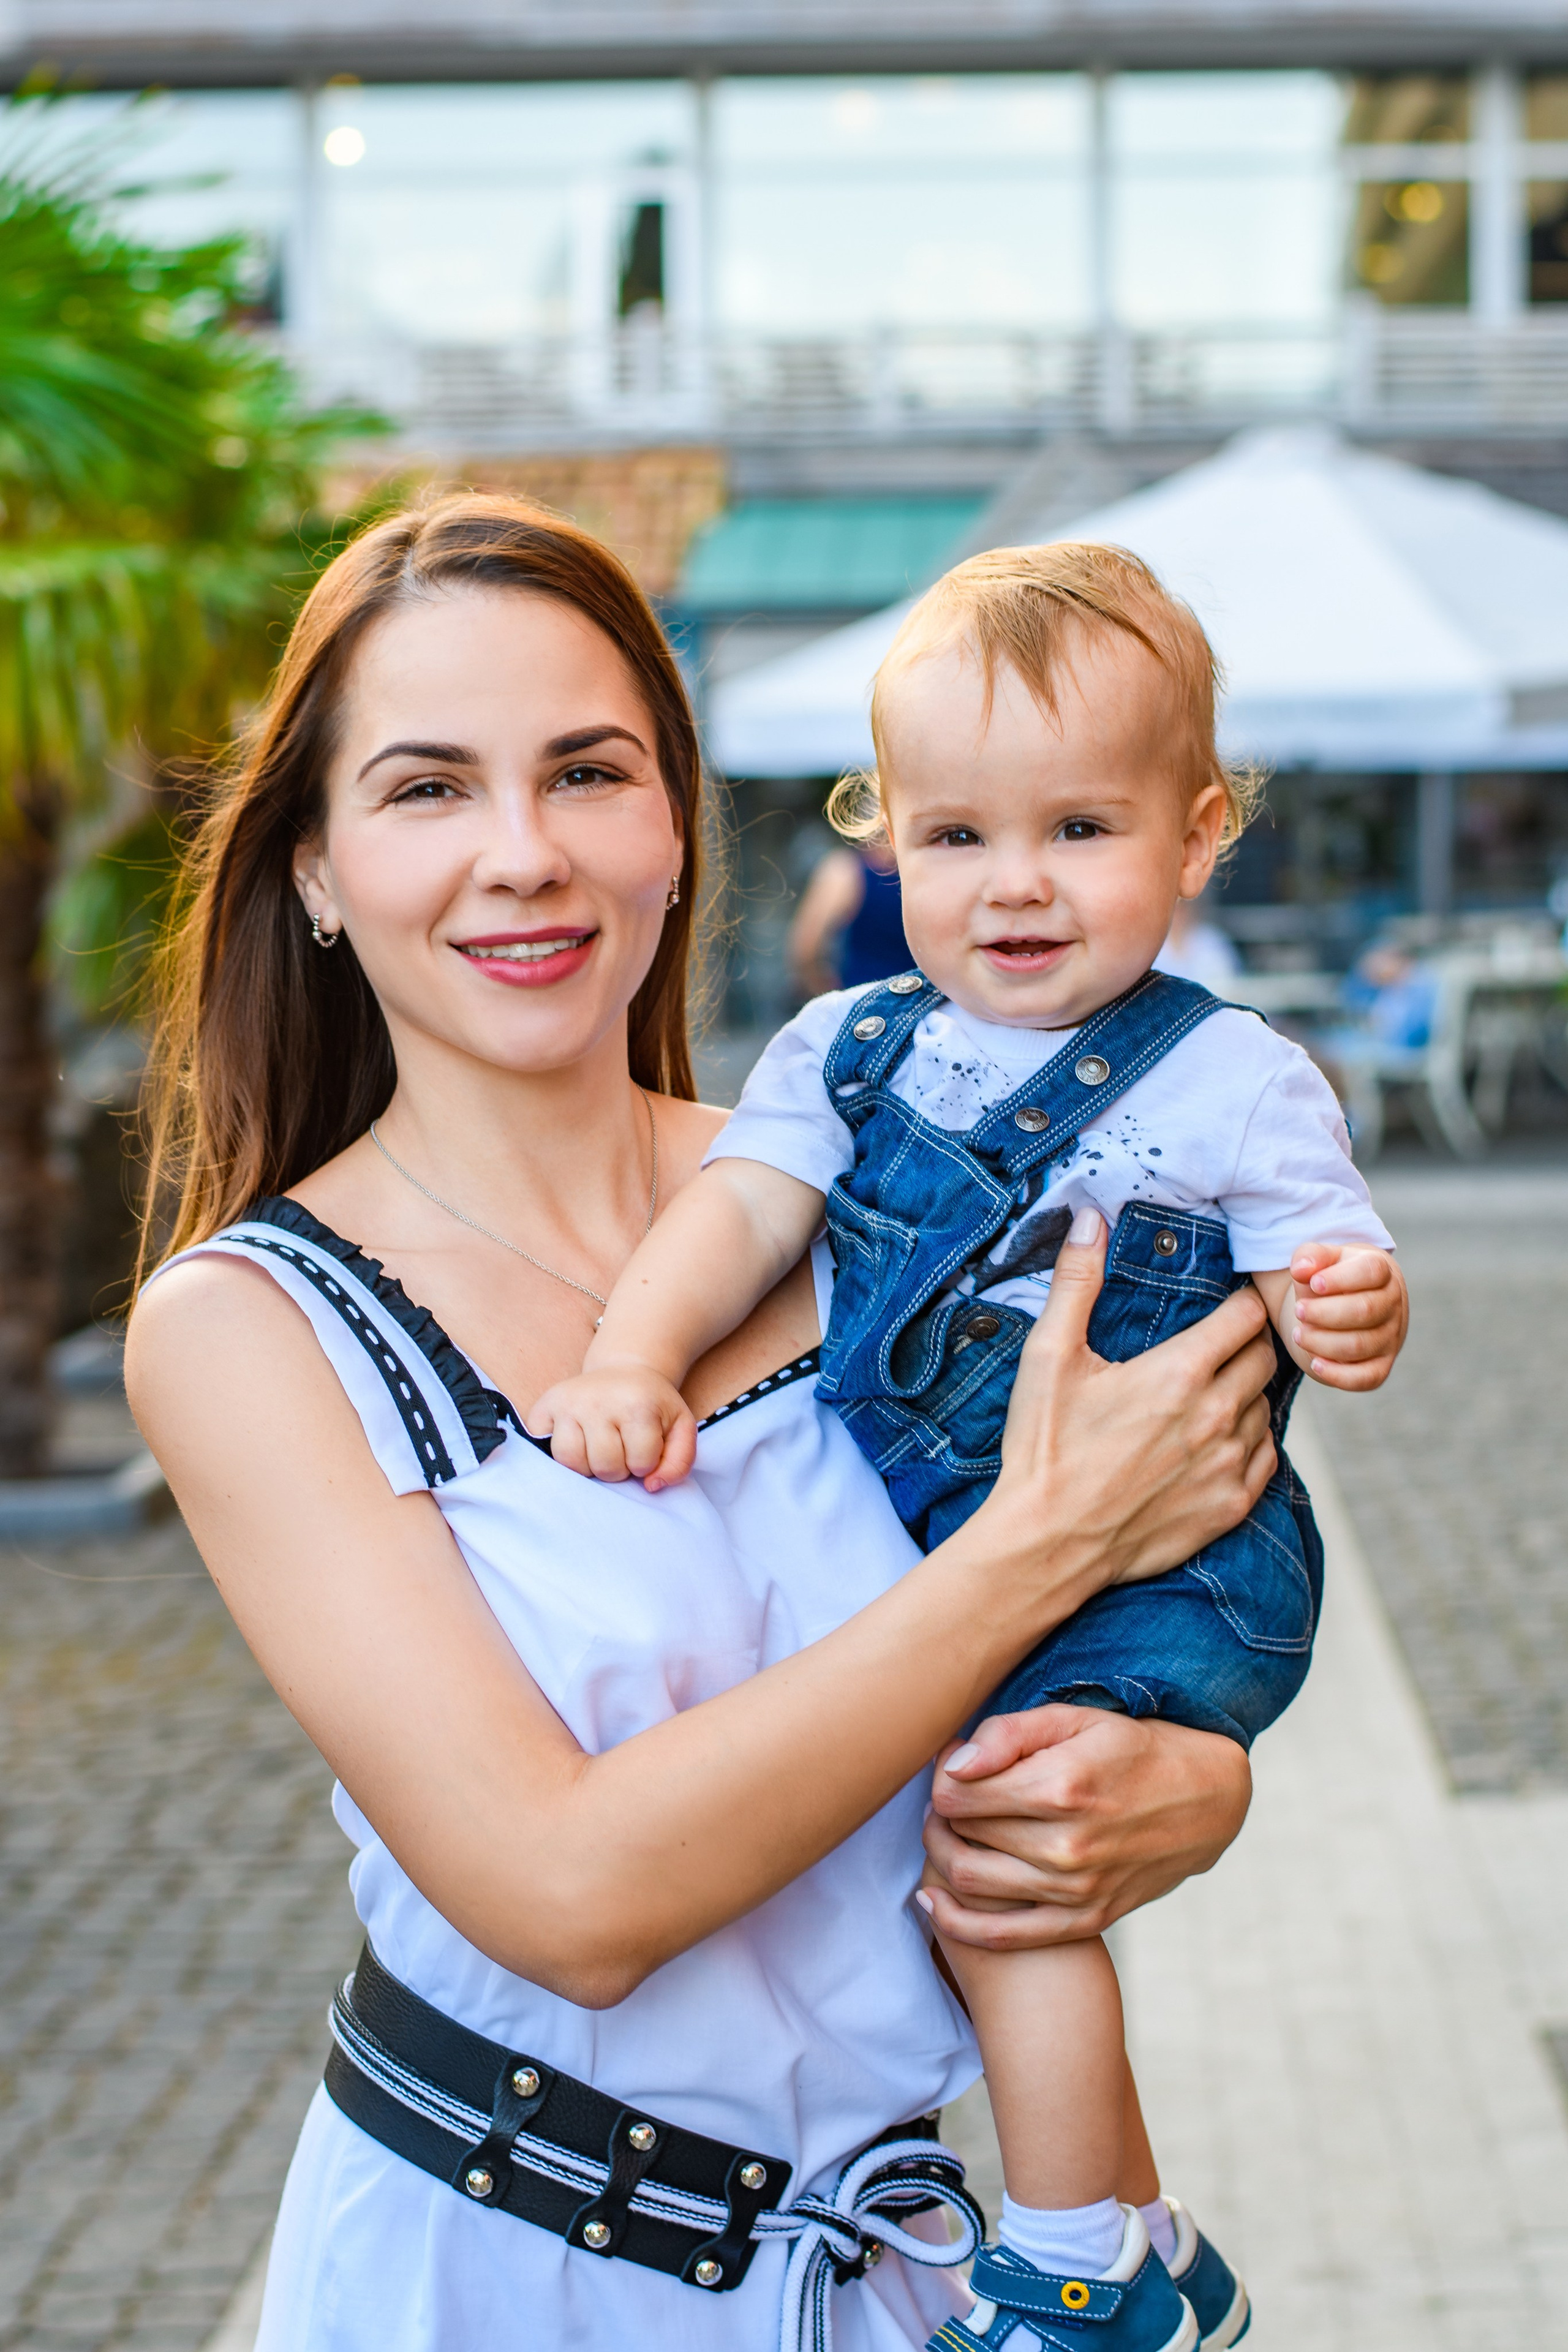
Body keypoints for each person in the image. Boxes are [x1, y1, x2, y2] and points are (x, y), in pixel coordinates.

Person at [126, 497, 1286, 2352]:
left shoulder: (904, 1201)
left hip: (913, 2269)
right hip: (504, 2274)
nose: (524, 854)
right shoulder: (252, 1324)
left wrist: (1182, 1781)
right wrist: (1033, 1550)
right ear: (318, 870)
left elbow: (1172, 1566)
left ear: (673, 821)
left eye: (587, 771)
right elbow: (567, 1889)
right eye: (427, 789)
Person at [532, 543, 1410, 2352]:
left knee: (997, 1883)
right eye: (953, 837)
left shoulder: (1230, 1072)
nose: (1013, 885)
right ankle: (1150, 2231)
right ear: (882, 842)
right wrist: (634, 1343)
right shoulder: (846, 1053)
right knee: (963, 1883)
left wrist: (1345, 1305)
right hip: (975, 1552)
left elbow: (1330, 1256)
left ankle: (1078, 2264)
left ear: (1196, 830)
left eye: (1079, 830)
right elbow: (741, 1213)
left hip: (1173, 1564)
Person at [789, 839, 912, 998]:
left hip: (863, 1001)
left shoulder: (845, 871)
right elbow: (806, 949)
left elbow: (805, 948)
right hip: (922, 1002)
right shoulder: (848, 871)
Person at [1153, 889, 1242, 995]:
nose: (1178, 913)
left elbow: (1228, 985)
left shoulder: (1212, 941)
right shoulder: (1153, 944)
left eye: (1183, 907)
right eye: (1174, 907)